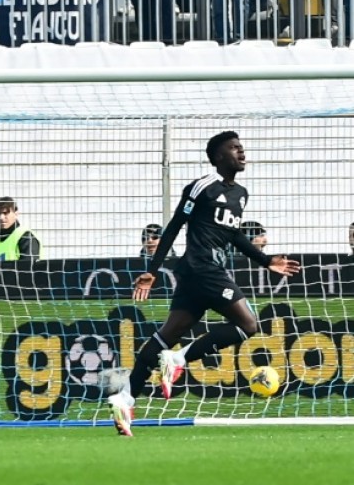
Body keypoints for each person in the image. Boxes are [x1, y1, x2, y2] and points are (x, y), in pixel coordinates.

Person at [106, 131, 300, 437]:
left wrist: (265, 260)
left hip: (197, 275)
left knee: (166, 335)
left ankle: (125, 398)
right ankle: (178, 359)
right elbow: (174, 225)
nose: (242, 152)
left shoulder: (241, 194)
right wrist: (152, 270)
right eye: (234, 148)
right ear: (219, 156)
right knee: (248, 325)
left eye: (242, 147)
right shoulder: (202, 186)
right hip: (203, 268)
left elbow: (233, 235)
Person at [0, 196, 42, 261]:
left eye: (5, 213)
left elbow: (30, 266)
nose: (1, 217)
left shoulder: (25, 236)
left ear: (16, 214)